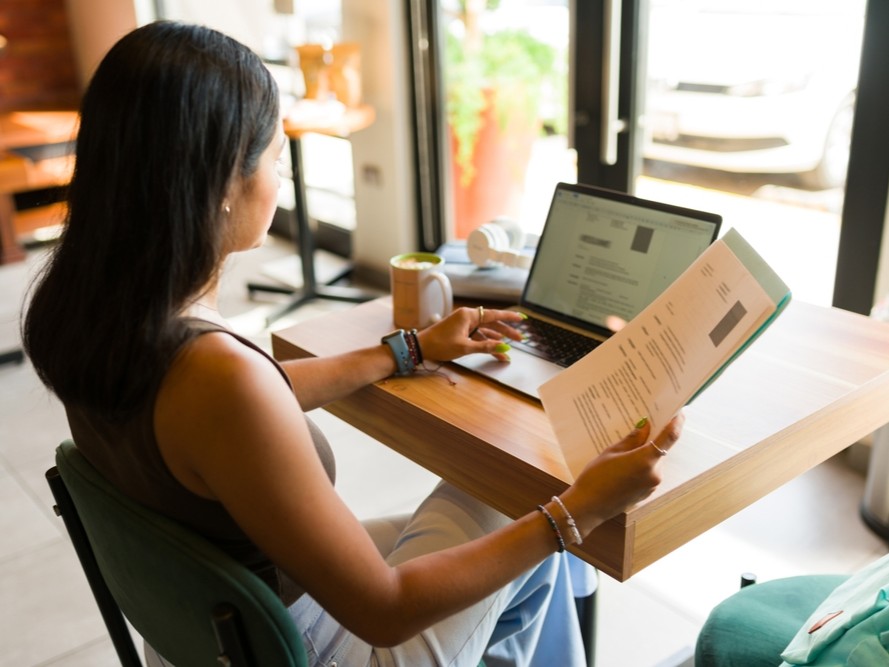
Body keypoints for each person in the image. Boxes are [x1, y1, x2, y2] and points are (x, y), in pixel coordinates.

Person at [23, 21, 683, 667]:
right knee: (519, 509)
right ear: (224, 181)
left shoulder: (88, 314)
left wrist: (408, 350)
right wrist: (576, 510)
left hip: (216, 627)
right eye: (275, 157)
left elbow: (242, 409)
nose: (279, 176)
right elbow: (384, 607)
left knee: (518, 553)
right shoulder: (217, 376)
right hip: (315, 639)